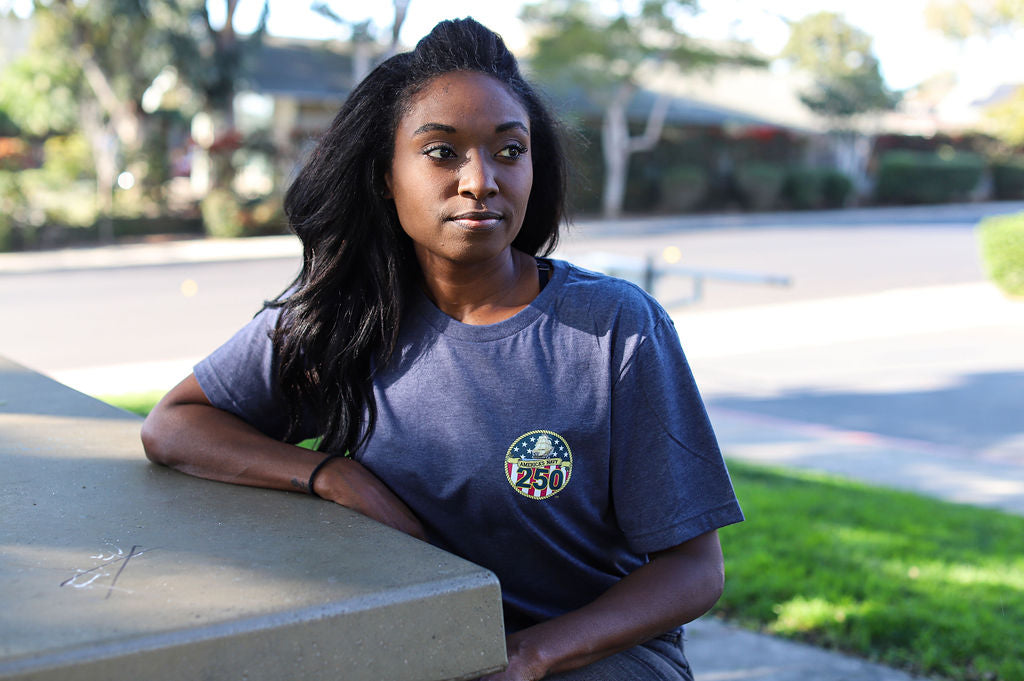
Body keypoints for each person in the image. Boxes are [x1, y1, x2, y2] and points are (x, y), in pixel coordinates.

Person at [141, 17, 743, 681]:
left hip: (593, 656)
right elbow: (175, 424)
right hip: (409, 647)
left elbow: (693, 569)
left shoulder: (616, 329)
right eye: (441, 151)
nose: (481, 179)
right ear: (384, 175)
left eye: (509, 151)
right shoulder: (346, 318)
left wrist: (530, 655)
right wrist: (332, 475)